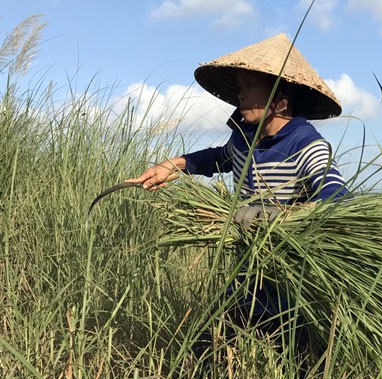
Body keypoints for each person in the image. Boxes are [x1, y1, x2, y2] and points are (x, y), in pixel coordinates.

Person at [127, 33, 349, 359]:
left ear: (280, 101)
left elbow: (337, 196)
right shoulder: (244, 140)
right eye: (240, 88)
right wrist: (173, 166)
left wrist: (283, 217)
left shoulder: (306, 145)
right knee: (204, 350)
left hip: (291, 279)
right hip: (246, 274)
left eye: (248, 88)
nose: (240, 96)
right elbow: (217, 157)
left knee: (300, 359)